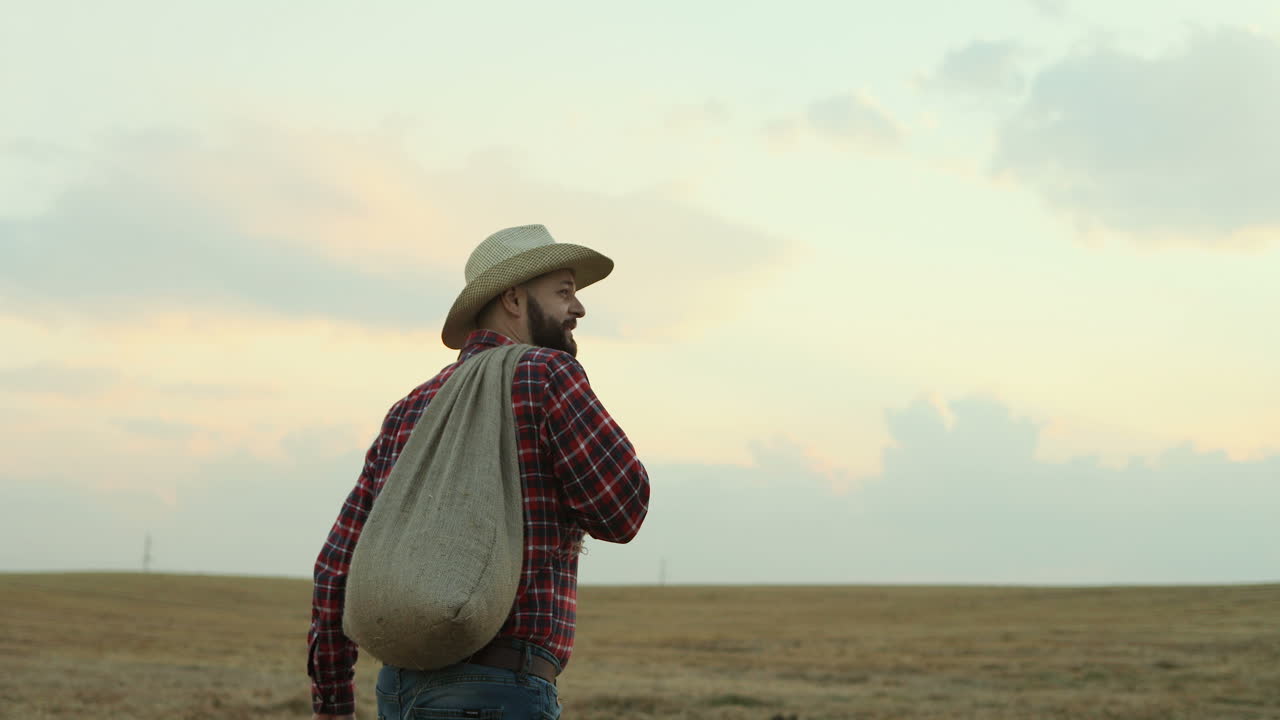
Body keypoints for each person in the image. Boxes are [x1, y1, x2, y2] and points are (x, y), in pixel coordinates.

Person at [307, 225, 651, 720]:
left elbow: (335, 565)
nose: (578, 309)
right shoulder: (547, 373)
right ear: (513, 299)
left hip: (398, 692)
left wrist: (334, 706)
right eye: (564, 293)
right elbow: (623, 512)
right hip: (499, 689)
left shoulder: (411, 408)